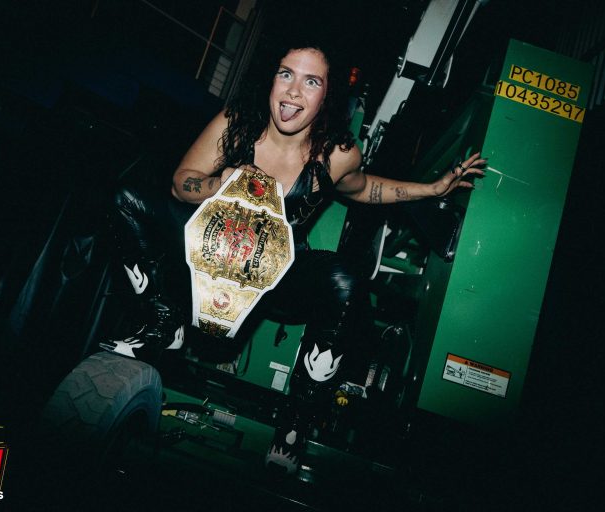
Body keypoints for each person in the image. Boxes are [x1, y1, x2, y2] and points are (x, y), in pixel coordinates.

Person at [102, 38, 485, 475]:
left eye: (311, 81)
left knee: (344, 279)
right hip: (209, 252)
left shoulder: (336, 155)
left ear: (326, 96)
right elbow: (181, 182)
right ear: (272, 79)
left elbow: (365, 188)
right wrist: (220, 183)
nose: (293, 91)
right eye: (286, 74)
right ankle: (163, 324)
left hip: (276, 276)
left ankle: (297, 418)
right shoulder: (236, 123)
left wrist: (432, 189)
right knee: (127, 199)